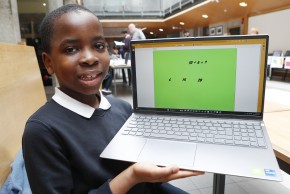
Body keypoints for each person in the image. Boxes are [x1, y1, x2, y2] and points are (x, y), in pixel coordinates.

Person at [22, 4, 204, 194]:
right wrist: (131, 176)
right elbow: (135, 174)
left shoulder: (122, 108)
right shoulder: (41, 131)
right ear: (48, 62)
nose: (90, 58)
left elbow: (147, 174)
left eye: (98, 46)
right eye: (70, 49)